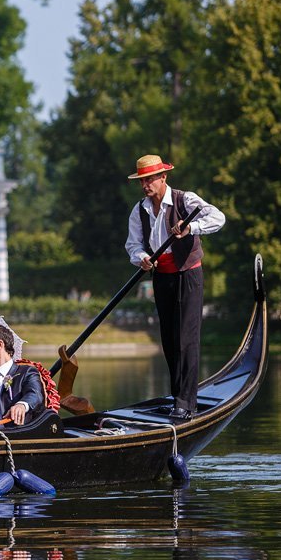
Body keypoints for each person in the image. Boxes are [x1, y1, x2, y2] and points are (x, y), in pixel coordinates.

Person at [123, 154, 226, 420]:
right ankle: (177, 398)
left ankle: (185, 402)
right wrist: (142, 258)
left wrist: (192, 227)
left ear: (163, 177)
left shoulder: (185, 199)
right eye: (142, 180)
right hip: (162, 277)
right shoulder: (139, 210)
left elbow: (218, 218)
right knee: (169, 340)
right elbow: (133, 245)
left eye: (150, 179)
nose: (146, 185)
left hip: (189, 275)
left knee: (186, 339)